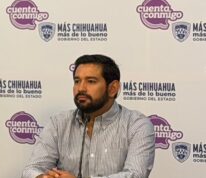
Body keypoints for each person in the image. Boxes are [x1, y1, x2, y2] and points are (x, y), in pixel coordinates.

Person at [22, 54, 155, 178]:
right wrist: (43, 177)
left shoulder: (137, 125)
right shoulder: (59, 123)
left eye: (91, 81)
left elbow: (134, 174)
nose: (81, 88)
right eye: (77, 81)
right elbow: (32, 169)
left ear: (113, 88)